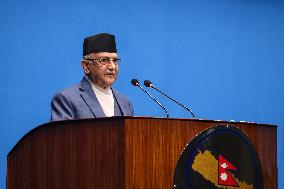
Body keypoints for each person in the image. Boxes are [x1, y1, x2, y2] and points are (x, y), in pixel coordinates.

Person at [50, 33, 134, 121]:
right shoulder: (67, 99)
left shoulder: (125, 102)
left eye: (115, 60)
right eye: (104, 60)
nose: (112, 67)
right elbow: (62, 135)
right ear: (86, 66)